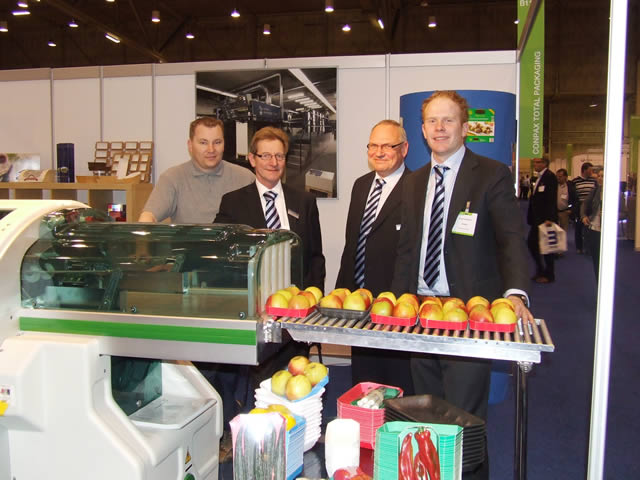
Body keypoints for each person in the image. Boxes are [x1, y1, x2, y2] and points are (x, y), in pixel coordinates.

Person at [391, 90, 533, 428]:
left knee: (464, 416)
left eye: (448, 120)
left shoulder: (491, 174)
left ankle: (468, 462)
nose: (439, 128)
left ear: (465, 128)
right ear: (423, 130)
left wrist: (515, 292)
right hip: (420, 311)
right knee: (425, 410)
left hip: (470, 310)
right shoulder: (413, 183)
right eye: (432, 121)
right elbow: (407, 250)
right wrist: (397, 303)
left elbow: (511, 238)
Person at [335, 119, 413, 395]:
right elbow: (353, 243)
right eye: (373, 146)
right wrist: (342, 292)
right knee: (363, 381)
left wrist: (401, 300)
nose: (379, 152)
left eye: (387, 146)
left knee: (396, 383)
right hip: (359, 302)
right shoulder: (361, 185)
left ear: (404, 148)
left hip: (396, 303)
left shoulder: (417, 187)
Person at [215, 126, 325, 289]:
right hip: (252, 296)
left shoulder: (305, 201)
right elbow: (222, 255)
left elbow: (315, 258)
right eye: (266, 156)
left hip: (297, 298)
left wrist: (314, 294)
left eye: (279, 156)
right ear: (252, 159)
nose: (274, 163)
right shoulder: (232, 203)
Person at [138, 116, 255, 223]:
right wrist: (145, 226)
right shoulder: (172, 178)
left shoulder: (245, 178)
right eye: (203, 143)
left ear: (224, 144)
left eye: (217, 142)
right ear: (190, 145)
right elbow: (149, 216)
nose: (211, 149)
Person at [527, 156, 558, 283]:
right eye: (534, 162)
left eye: (538, 162)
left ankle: (549, 274)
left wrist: (549, 218)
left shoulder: (550, 177)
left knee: (547, 247)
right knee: (533, 244)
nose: (535, 164)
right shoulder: (537, 177)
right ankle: (540, 270)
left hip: (545, 219)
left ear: (545, 163)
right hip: (536, 218)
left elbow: (551, 199)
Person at [581, 169, 604, 277]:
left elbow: (623, 212)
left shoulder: (616, 193)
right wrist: (583, 216)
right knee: (596, 260)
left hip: (607, 232)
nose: (600, 178)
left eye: (603, 176)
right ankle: (599, 282)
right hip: (594, 229)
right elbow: (584, 204)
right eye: (598, 176)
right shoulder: (595, 191)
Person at [571, 162, 597, 254]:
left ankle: (588, 248)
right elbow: (572, 195)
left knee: (589, 228)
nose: (592, 172)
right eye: (590, 170)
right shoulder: (575, 181)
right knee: (578, 228)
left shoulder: (594, 181)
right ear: (584, 170)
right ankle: (579, 247)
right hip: (579, 207)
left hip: (591, 207)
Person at [556, 168, 577, 233]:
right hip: (555, 212)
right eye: (557, 176)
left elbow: (575, 200)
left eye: (560, 176)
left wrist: (571, 209)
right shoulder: (554, 185)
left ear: (565, 177)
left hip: (565, 212)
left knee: (563, 232)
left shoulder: (570, 186)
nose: (558, 178)